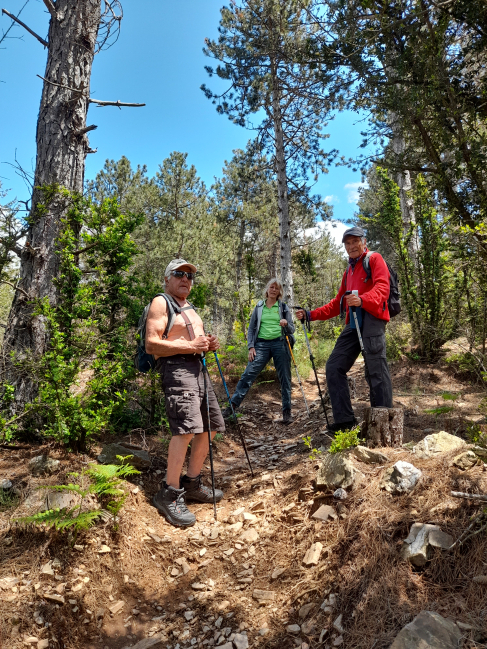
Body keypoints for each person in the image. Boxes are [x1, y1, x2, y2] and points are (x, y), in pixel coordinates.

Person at [145, 259, 225, 528]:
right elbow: (151, 344)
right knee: (186, 429)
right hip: (177, 369)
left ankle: (191, 483)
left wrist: (208, 344)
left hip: (198, 367)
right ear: (167, 278)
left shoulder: (189, 306)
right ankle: (169, 492)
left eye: (190, 275)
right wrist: (191, 345)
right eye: (179, 274)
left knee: (211, 426)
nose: (185, 279)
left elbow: (196, 340)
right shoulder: (161, 302)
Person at [296, 227, 393, 434]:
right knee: (334, 366)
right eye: (347, 243)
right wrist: (310, 314)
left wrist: (362, 299)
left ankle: (383, 424)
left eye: (355, 242)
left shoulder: (374, 259)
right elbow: (337, 303)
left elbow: (383, 288)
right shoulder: (348, 271)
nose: (351, 246)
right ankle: (345, 422)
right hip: (353, 323)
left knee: (376, 370)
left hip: (373, 320)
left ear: (364, 242)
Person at [222, 278, 295, 424]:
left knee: (285, 379)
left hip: (280, 344)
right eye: (271, 287)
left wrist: (286, 324)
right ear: (267, 289)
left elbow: (292, 329)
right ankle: (232, 406)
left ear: (279, 291)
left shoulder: (283, 307)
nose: (274, 290)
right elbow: (251, 329)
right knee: (248, 374)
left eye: (277, 288)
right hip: (261, 345)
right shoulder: (259, 307)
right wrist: (251, 347)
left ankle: (287, 413)